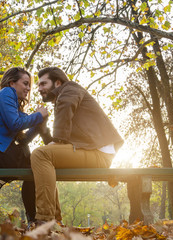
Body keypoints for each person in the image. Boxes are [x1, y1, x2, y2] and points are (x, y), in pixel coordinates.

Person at [30, 67, 124, 223]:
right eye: (38, 85)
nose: (39, 89)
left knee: (40, 154)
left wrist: (58, 138)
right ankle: (55, 221)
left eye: (43, 84)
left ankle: (45, 220)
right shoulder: (64, 96)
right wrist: (44, 128)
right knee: (43, 158)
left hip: (98, 153)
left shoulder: (70, 89)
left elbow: (66, 107)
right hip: (89, 151)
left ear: (58, 82)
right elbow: (55, 147)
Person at [0, 67, 48, 224]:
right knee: (36, 164)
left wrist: (39, 123)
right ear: (12, 83)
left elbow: (23, 140)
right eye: (25, 83)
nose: (28, 88)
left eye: (29, 86)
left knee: (33, 165)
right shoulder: (7, 93)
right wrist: (38, 116)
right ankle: (34, 219)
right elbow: (15, 124)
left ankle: (33, 219)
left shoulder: (12, 106)